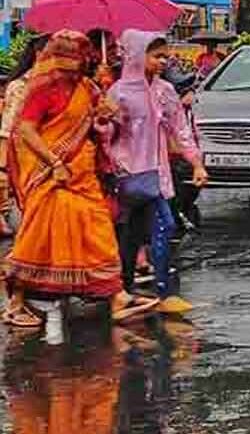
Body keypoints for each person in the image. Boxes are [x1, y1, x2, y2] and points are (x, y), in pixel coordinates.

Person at [3, 30, 158, 328]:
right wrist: (54, 162)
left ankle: (117, 297)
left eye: (78, 57)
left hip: (84, 176)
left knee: (98, 234)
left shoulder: (89, 87)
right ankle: (16, 301)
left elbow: (100, 127)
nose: (74, 64)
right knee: (40, 239)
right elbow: (25, 131)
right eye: (68, 57)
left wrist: (105, 115)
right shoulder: (42, 88)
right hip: (51, 176)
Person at [107, 31, 209, 313]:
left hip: (158, 174)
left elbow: (181, 130)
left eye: (165, 55)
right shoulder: (119, 93)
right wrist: (107, 120)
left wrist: (196, 163)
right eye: (156, 56)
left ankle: (161, 292)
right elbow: (106, 137)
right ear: (138, 56)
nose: (163, 61)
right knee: (134, 233)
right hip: (128, 174)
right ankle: (126, 291)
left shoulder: (165, 91)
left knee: (161, 227)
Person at [0, 33, 50, 236]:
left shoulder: (67, 87)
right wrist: (2, 170)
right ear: (39, 54)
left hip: (55, 162)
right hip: (26, 164)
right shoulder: (20, 87)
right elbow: (7, 130)